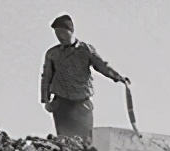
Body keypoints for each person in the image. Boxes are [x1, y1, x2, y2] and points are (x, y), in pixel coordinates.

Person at [40, 14, 129, 143]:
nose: (60, 36)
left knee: (85, 141)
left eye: (62, 32)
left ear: (71, 31)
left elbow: (102, 65)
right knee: (64, 140)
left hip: (81, 102)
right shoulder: (52, 53)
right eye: (56, 33)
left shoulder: (85, 50)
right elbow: (46, 77)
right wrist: (45, 99)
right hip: (61, 102)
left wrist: (118, 77)